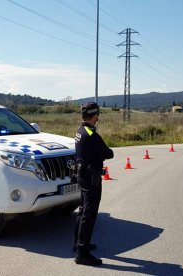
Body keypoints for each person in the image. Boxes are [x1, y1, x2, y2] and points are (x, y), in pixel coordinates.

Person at [73, 102, 114, 266]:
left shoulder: (80, 131)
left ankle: (78, 243)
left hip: (83, 175)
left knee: (82, 211)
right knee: (89, 214)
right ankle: (82, 253)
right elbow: (108, 153)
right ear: (95, 115)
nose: (98, 118)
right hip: (91, 178)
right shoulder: (91, 134)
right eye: (98, 115)